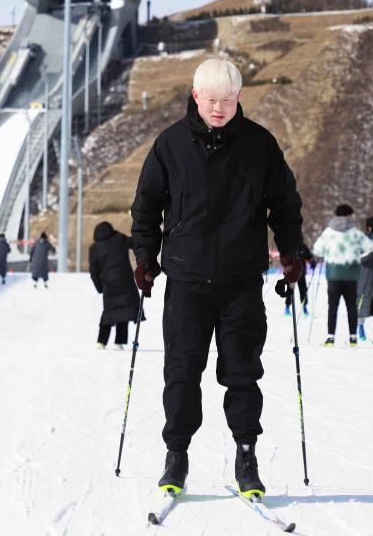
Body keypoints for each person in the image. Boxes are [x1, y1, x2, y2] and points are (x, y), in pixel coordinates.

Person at [130, 57, 304, 499]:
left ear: (239, 96)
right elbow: (146, 207)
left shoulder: (260, 145)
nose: (219, 108)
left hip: (240, 281)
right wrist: (145, 258)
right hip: (186, 281)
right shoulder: (170, 145)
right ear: (195, 96)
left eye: (227, 100)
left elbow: (285, 204)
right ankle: (177, 454)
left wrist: (291, 251)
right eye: (211, 100)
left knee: (242, 373)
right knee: (182, 373)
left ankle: (246, 455)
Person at [311, 204, 373, 347]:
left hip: (333, 274)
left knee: (332, 307)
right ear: (348, 215)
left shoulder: (328, 232)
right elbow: (370, 246)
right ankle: (353, 338)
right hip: (351, 275)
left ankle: (330, 338)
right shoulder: (355, 232)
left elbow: (317, 250)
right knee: (351, 306)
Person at [88, 221, 141, 349]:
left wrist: (100, 288)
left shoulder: (94, 248)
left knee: (109, 312)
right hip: (125, 282)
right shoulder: (119, 239)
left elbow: (93, 272)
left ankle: (101, 342)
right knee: (124, 311)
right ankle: (119, 342)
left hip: (109, 284)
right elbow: (135, 243)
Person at [284, 243, 315, 317]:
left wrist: (312, 261)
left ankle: (305, 308)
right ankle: (287, 308)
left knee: (303, 291)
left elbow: (309, 256)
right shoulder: (289, 246)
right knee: (290, 291)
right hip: (291, 273)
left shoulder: (303, 247)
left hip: (301, 273)